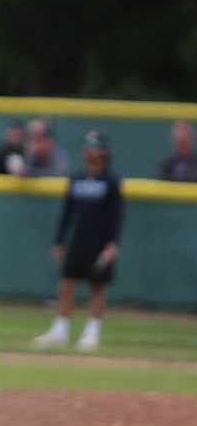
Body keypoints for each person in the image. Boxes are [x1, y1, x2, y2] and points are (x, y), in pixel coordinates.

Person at [33, 131, 124, 352]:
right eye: (86, 146)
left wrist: (112, 243)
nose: (87, 151)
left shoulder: (111, 181)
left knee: (97, 287)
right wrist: (58, 241)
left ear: (104, 151)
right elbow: (67, 212)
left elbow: (117, 215)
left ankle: (92, 332)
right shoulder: (77, 179)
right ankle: (60, 331)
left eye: (93, 146)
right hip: (78, 240)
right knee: (66, 284)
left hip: (99, 243)